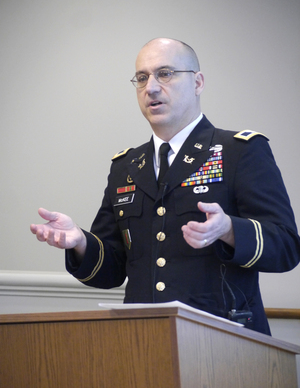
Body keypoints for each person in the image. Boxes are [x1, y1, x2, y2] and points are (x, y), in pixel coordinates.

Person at [30, 38, 300, 335]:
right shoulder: (126, 167)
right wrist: (80, 243)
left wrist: (229, 230)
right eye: (142, 78)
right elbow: (112, 270)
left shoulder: (238, 151)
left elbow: (286, 246)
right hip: (141, 341)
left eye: (165, 73)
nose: (152, 87)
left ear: (197, 82)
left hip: (224, 341)